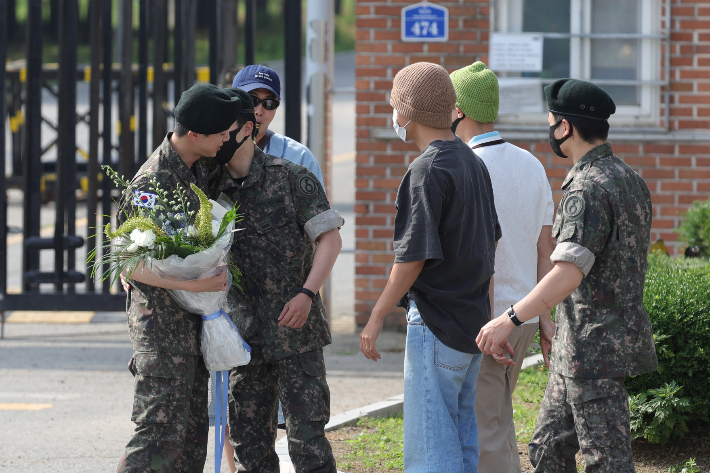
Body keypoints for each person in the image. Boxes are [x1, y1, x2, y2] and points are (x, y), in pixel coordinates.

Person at [476, 79, 658, 472]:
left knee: (605, 461)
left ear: (565, 128)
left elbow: (568, 272)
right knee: (547, 448)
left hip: (594, 350)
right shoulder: (629, 178)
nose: (551, 130)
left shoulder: (588, 186)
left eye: (552, 122)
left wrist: (510, 319)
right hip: (580, 347)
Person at [359, 62, 501, 473]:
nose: (393, 115)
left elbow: (412, 257)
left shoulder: (426, 170)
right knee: (460, 441)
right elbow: (489, 244)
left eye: (393, 105)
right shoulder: (472, 163)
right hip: (471, 322)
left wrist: (377, 313)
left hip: (436, 324)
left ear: (407, 112)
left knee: (430, 449)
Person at [206, 87, 344, 473]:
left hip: (295, 332)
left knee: (309, 445)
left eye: (222, 131)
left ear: (247, 130)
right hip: (242, 339)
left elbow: (330, 239)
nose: (216, 140)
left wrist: (306, 293)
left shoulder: (292, 178)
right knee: (250, 447)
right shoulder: (210, 188)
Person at [115, 84, 242, 473]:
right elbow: (127, 262)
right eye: (221, 133)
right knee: (155, 436)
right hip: (161, 331)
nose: (226, 139)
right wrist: (194, 286)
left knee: (189, 442)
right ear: (194, 135)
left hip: (191, 329)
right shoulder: (151, 183)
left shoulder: (199, 167)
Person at [449, 61, 556, 473]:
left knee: (485, 429)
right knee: (499, 419)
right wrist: (546, 321)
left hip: (488, 319)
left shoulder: (465, 167)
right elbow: (544, 249)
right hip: (525, 313)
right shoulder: (531, 164)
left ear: (460, 109)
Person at [232, 64, 324, 188]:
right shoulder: (212, 149)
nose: (259, 111)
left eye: (269, 103)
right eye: (251, 100)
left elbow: (318, 207)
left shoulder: (299, 157)